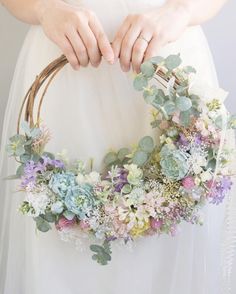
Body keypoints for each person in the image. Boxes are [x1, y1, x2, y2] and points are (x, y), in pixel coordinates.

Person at [0, 0, 235, 293]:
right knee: (62, 250)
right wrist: (44, 9)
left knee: (169, 250)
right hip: (66, 59)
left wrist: (182, 10)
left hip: (166, 59)